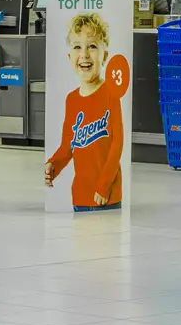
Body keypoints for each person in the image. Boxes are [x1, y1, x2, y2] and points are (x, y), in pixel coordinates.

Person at [45, 11, 126, 210]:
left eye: (92, 46)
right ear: (70, 56)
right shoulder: (71, 100)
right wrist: (54, 165)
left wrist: (104, 186)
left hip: (107, 196)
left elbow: (117, 145)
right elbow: (68, 145)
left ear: (105, 56)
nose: (85, 54)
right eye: (77, 47)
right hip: (80, 196)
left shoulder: (111, 93)